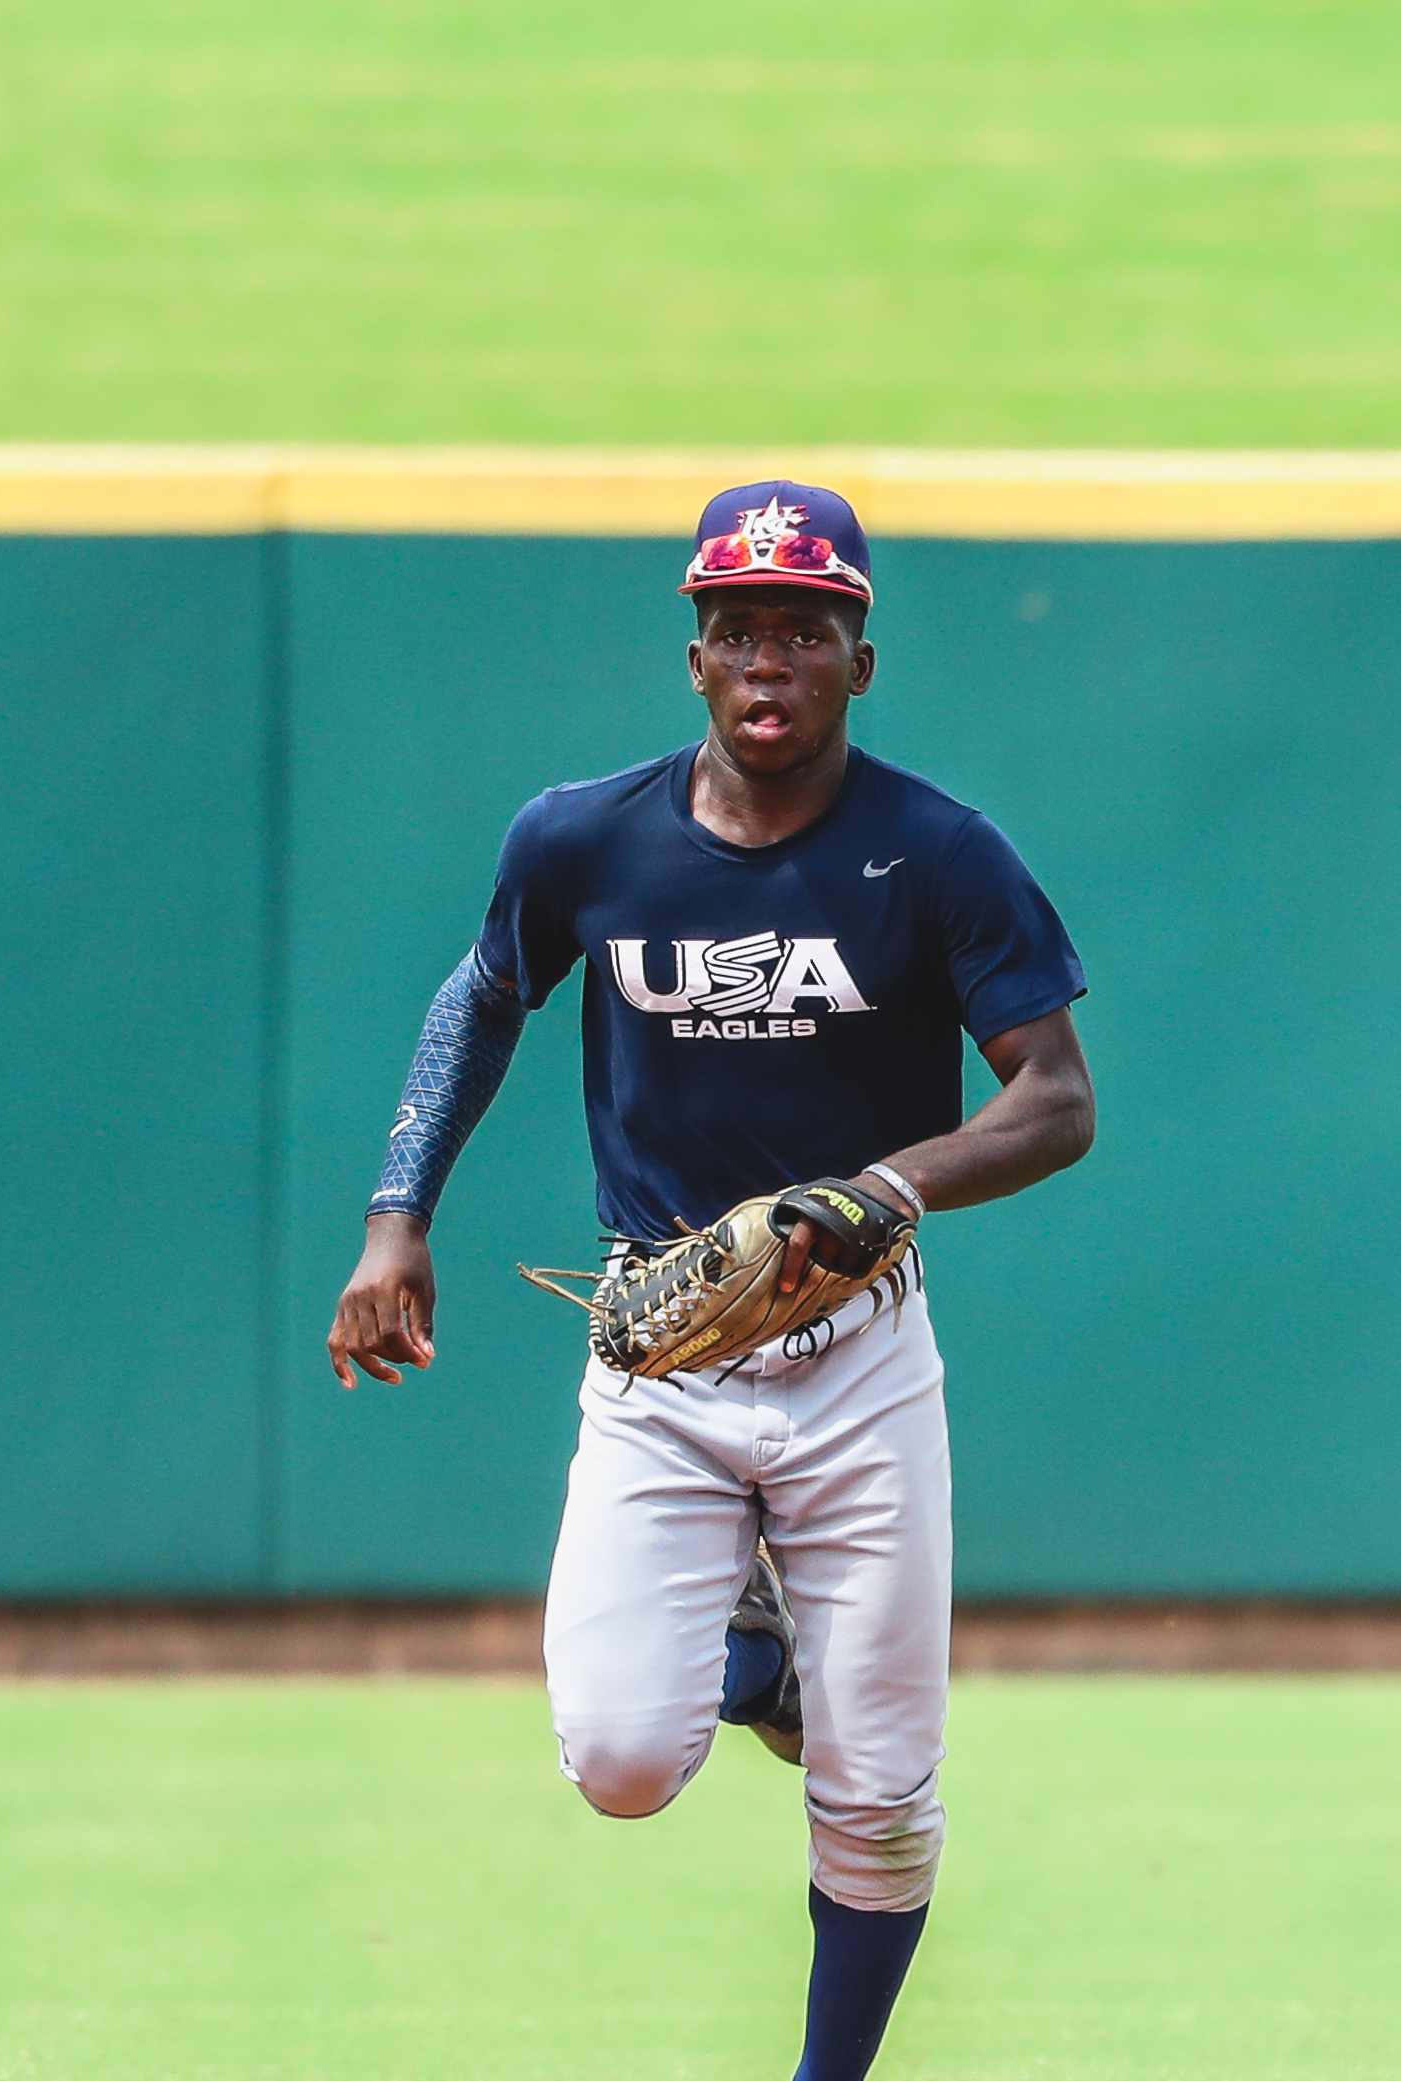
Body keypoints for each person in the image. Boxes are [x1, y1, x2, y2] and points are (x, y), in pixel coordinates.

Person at [325, 479, 1096, 2081]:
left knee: (876, 1794)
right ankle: (755, 1648)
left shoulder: (938, 853)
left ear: (856, 659)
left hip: (860, 1352)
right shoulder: (582, 840)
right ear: (693, 656)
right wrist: (398, 1213)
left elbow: (1054, 1098)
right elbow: (482, 1001)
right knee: (616, 1757)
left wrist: (887, 1184)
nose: (767, 658)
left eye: (802, 630)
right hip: (663, 1349)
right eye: (736, 626)